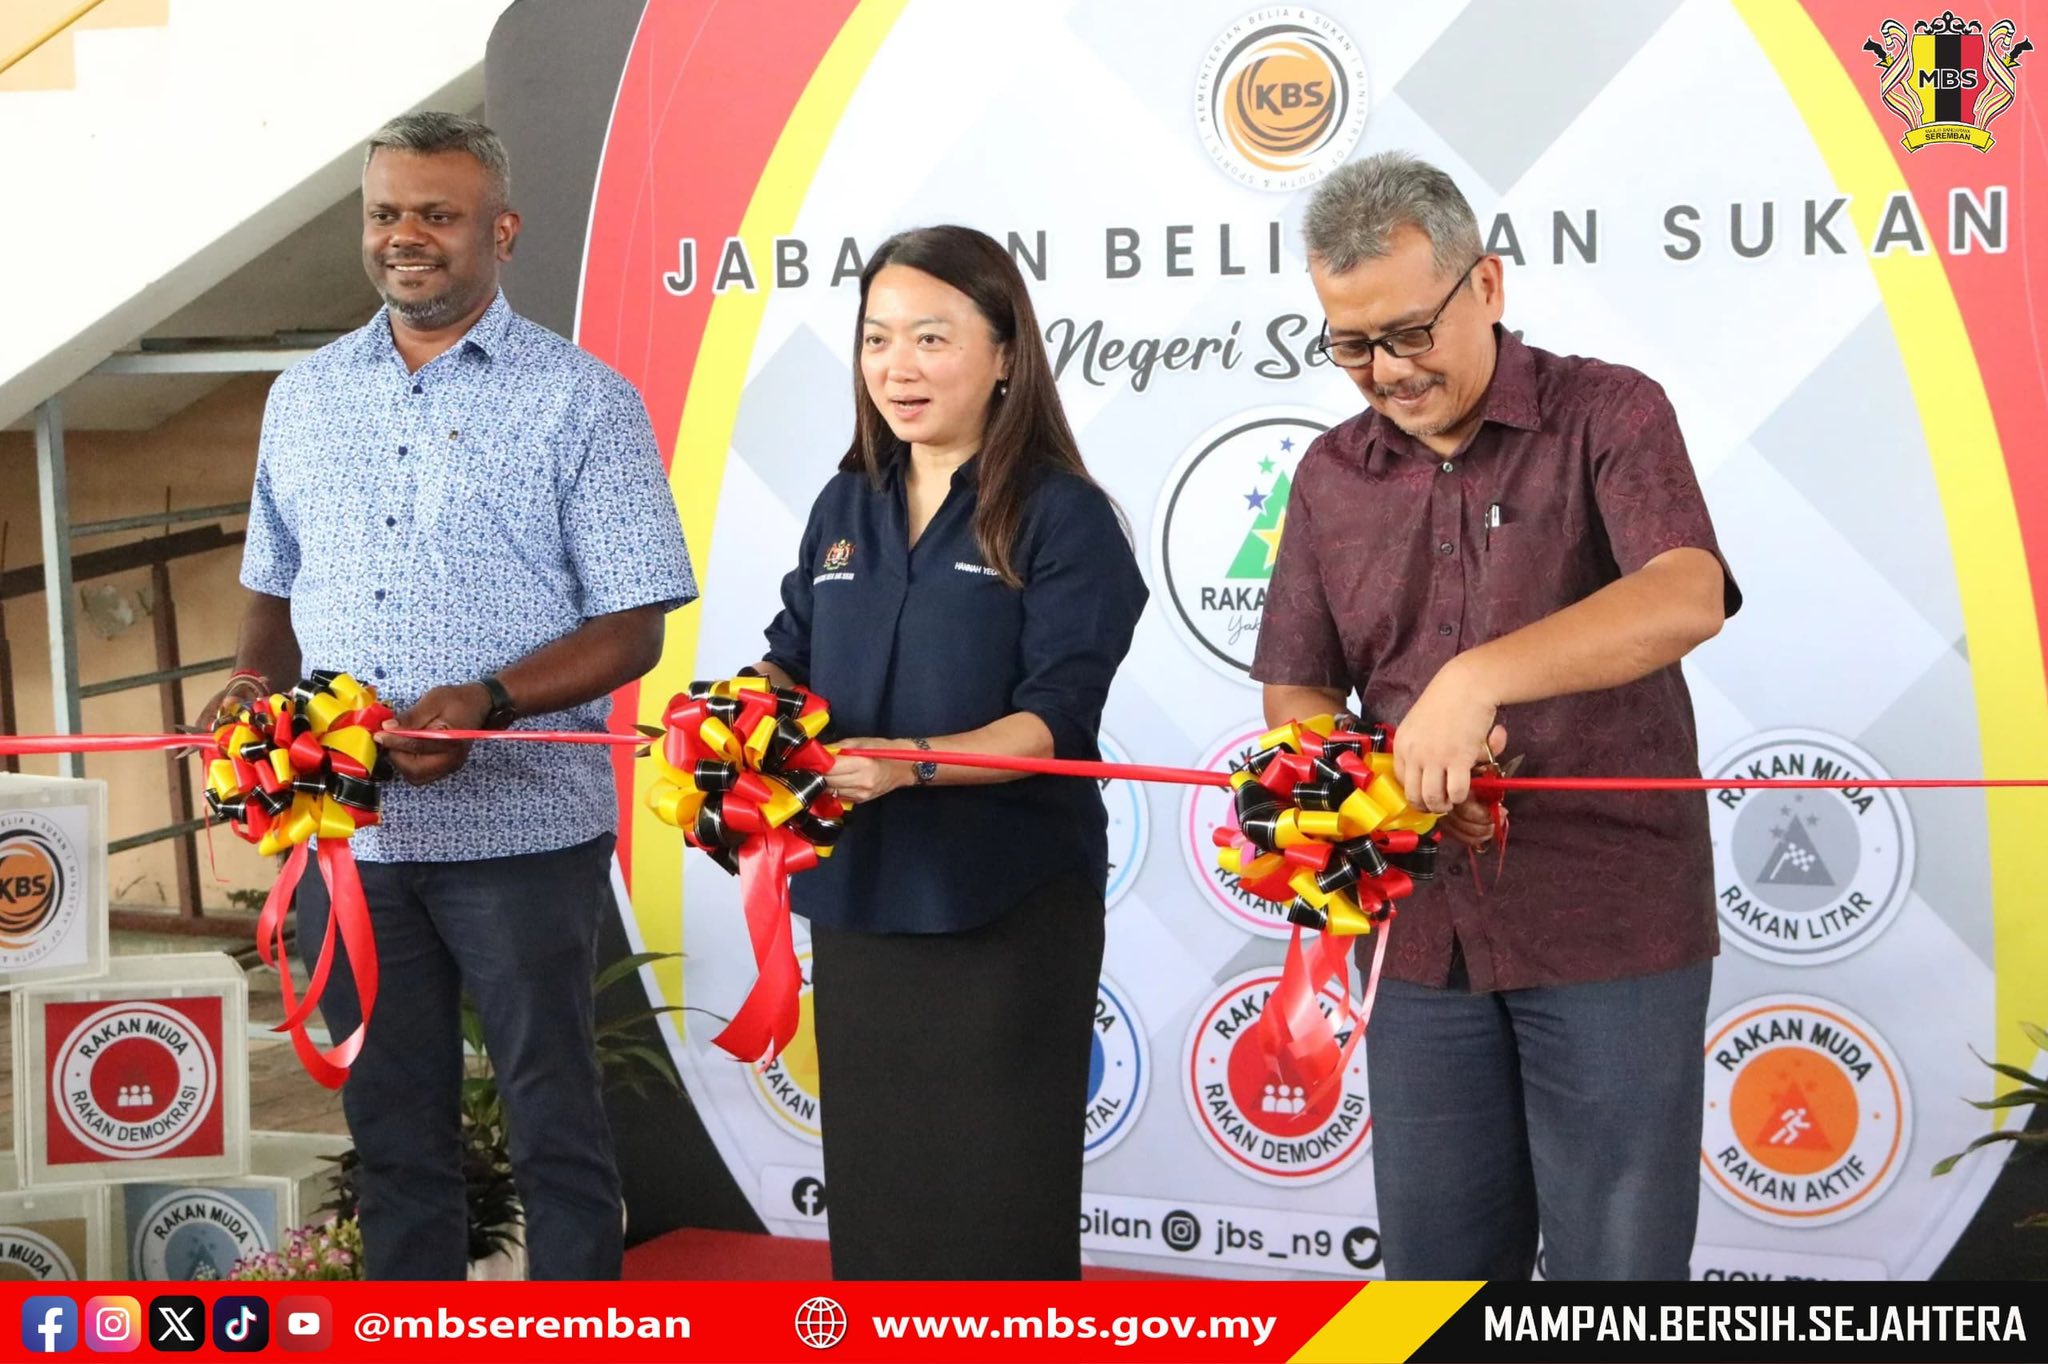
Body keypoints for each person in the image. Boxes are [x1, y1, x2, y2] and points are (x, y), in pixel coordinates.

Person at [200, 112, 696, 1279]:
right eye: (385, 214)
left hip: (522, 835)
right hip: (347, 844)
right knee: (391, 1129)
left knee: (552, 1123)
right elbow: (273, 593)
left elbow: (635, 619)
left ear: (501, 231)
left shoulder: (584, 399)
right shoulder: (304, 394)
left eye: (436, 213)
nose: (405, 236)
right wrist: (243, 685)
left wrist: (489, 698)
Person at [1253, 151, 1741, 1281]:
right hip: (1419, 936)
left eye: (1410, 332)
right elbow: (1296, 686)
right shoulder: (1329, 472)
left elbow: (1687, 591)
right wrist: (1382, 787)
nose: (1385, 371)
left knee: (1612, 1279)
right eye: (1350, 344)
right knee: (1433, 1277)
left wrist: (1473, 679)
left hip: (1608, 922)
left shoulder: (1607, 410)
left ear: (1487, 284)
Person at [748, 225, 1147, 1279]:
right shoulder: (845, 504)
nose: (898, 366)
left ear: (1007, 352)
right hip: (860, 899)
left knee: (991, 1210)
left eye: (931, 336)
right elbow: (786, 659)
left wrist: (904, 762)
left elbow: (1055, 722)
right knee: (882, 1208)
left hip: (1004, 906)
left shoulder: (1063, 516)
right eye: (878, 338)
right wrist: (735, 720)